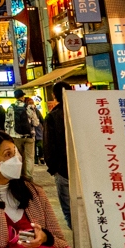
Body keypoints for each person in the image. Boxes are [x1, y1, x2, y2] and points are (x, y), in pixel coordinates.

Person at [43, 81, 71, 228]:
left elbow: (48, 145)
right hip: (84, 169)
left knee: (68, 210)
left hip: (63, 169)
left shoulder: (53, 116)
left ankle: (81, 243)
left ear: (54, 96)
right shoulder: (79, 112)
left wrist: (53, 168)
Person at [4, 89, 40, 179]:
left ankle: (20, 175)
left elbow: (7, 124)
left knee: (19, 156)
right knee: (30, 158)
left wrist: (8, 135)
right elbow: (36, 123)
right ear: (23, 97)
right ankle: (28, 176)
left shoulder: (10, 108)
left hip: (15, 136)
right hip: (29, 136)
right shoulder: (29, 107)